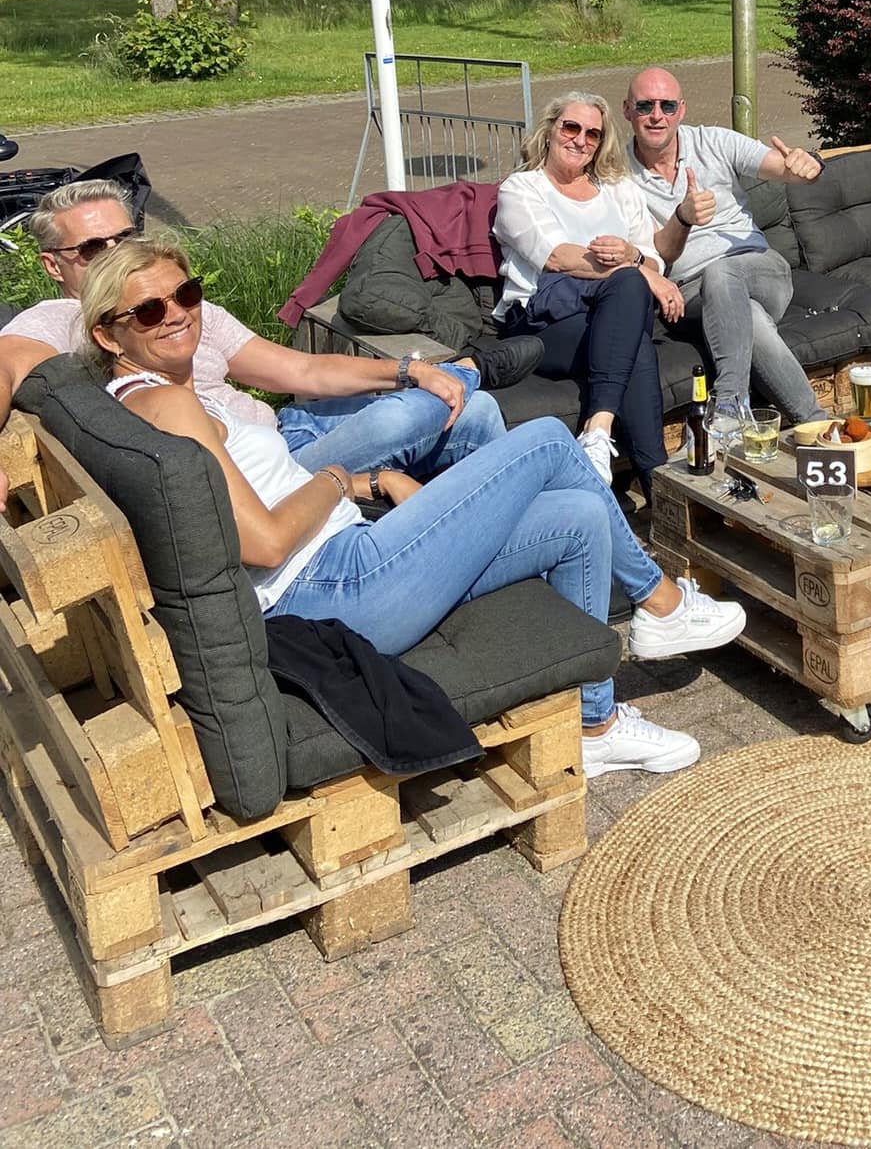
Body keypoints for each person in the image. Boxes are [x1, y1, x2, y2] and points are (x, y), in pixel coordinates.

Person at [80, 238, 747, 778]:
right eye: (147, 311)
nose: (176, 314)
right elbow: (266, 544)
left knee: (576, 515)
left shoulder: (150, 394)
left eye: (186, 295)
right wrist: (341, 481)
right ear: (110, 335)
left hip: (346, 568)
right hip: (336, 586)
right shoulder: (165, 404)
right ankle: (661, 603)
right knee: (545, 441)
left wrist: (371, 477)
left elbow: (302, 386)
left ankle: (592, 724)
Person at [0, 178, 506, 513]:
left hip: (288, 430)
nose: (117, 255)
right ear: (53, 266)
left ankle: (487, 519)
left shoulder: (179, 305)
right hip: (261, 474)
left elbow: (300, 372)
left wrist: (409, 371)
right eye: (93, 249)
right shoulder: (60, 321)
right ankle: (474, 367)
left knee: (473, 410)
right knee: (408, 416)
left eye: (125, 238)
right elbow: (4, 365)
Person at [493, 93, 678, 491]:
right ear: (549, 131)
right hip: (545, 318)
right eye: (571, 127)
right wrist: (635, 267)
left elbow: (653, 258)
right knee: (636, 344)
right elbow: (558, 258)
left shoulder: (618, 188)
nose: (581, 140)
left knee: (627, 294)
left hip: (614, 313)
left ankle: (598, 431)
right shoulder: (521, 190)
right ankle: (661, 491)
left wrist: (636, 258)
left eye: (593, 134)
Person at [624, 66, 824, 423]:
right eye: (645, 106)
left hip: (760, 269)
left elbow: (783, 169)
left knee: (723, 269)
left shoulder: (714, 142)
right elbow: (661, 256)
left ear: (681, 110)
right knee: (751, 320)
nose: (657, 116)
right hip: (691, 296)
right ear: (627, 110)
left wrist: (805, 164)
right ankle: (817, 425)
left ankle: (729, 403)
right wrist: (682, 217)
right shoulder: (619, 176)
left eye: (667, 106)